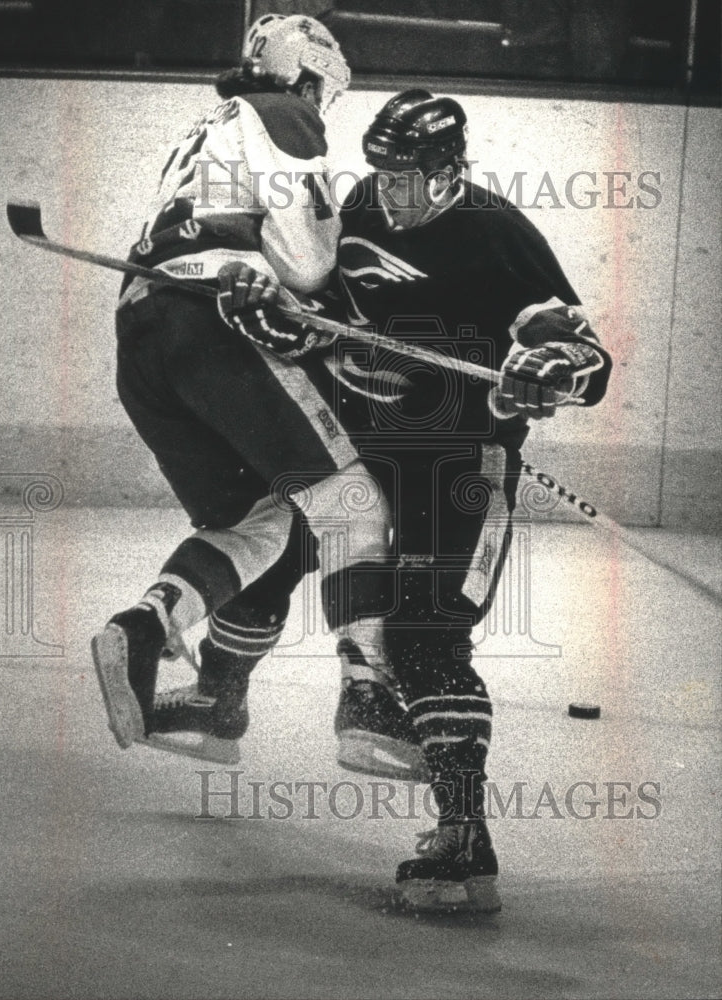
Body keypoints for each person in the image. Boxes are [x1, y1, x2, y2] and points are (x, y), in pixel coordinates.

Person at [154, 88, 612, 913]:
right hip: (374, 456)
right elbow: (316, 319)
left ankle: (463, 836)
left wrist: (553, 368)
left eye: (410, 178)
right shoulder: (357, 209)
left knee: (426, 634)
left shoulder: (496, 232)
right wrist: (274, 318)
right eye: (383, 174)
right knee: (282, 536)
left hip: (462, 467)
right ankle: (217, 695)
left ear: (449, 171)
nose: (390, 193)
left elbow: (582, 352)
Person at [90, 14, 403, 758]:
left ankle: (144, 628)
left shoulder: (210, 124)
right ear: (307, 75)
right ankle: (367, 700)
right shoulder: (285, 111)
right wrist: (326, 308)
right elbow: (303, 259)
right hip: (214, 324)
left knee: (257, 519)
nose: (321, 105)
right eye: (323, 91)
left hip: (141, 338)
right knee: (350, 502)